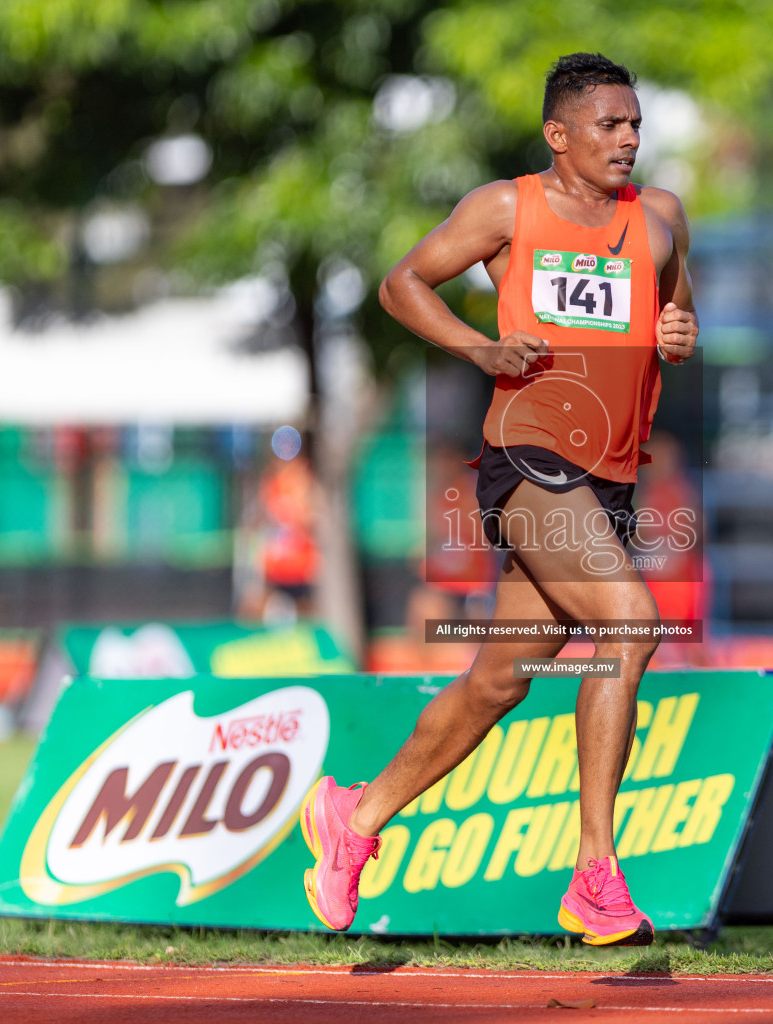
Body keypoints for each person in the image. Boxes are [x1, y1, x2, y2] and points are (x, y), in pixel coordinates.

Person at [299, 52, 698, 946]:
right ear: (559, 136)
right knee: (629, 623)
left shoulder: (663, 219)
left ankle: (353, 820)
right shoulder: (505, 208)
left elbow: (677, 320)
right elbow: (401, 285)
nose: (629, 139)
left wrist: (679, 332)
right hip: (529, 455)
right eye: (610, 125)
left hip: (612, 477)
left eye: (636, 123)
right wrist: (479, 350)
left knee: (499, 678)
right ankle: (594, 873)